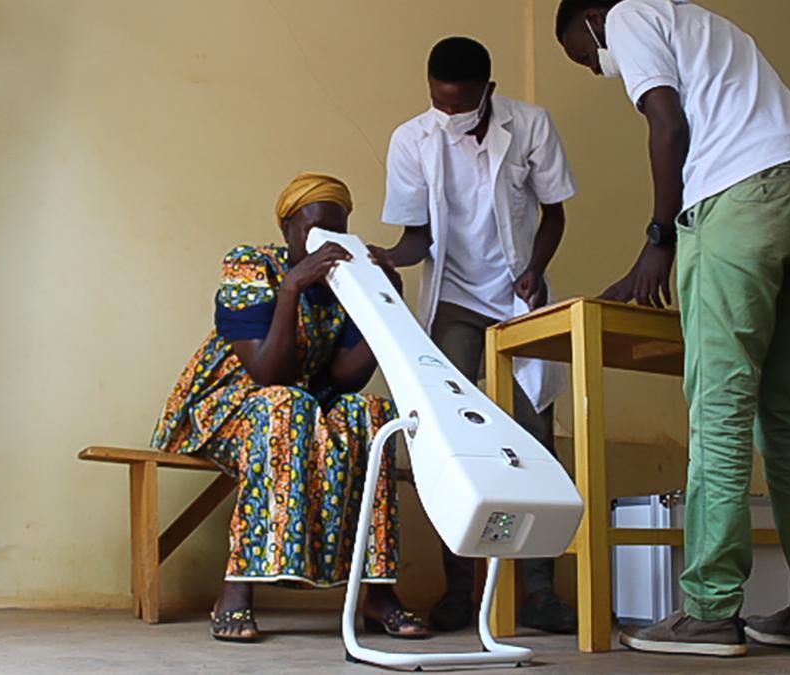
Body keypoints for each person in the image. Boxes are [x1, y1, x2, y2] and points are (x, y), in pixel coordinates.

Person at [555, 0, 790, 658]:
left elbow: (666, 124)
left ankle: (710, 608)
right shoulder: (705, 24)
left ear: (590, 23)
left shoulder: (627, 15)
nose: (599, 68)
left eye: (586, 57)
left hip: (739, 198)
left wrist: (658, 237)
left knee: (720, 405)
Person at [150, 173, 427, 643]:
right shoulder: (250, 266)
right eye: (312, 230)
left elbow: (345, 378)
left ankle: (378, 592)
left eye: (335, 231)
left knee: (372, 415)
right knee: (284, 404)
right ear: (287, 230)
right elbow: (265, 371)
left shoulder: (345, 280)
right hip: (223, 407)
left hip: (300, 410)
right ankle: (237, 590)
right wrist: (292, 289)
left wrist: (386, 305)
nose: (323, 242)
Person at [370, 36, 579, 635]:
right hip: (455, 299)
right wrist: (389, 255)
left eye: (462, 104)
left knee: (533, 434)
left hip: (519, 297)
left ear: (489, 91)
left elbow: (555, 211)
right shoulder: (412, 138)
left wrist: (534, 270)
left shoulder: (532, 124)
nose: (451, 114)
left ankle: (537, 589)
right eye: (440, 102)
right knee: (451, 437)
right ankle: (459, 586)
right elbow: (417, 236)